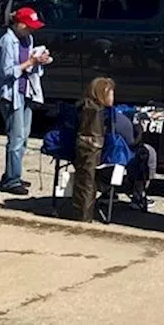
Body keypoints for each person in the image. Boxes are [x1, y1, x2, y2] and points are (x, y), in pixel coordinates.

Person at [0, 7, 50, 196]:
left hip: (26, 93)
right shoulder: (6, 42)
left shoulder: (27, 39)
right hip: (11, 96)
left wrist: (39, 61)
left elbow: (29, 66)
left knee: (24, 136)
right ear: (19, 24)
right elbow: (6, 71)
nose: (31, 30)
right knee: (16, 137)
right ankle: (12, 180)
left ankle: (13, 172)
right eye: (29, 26)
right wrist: (30, 63)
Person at [73, 77, 113, 223]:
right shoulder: (96, 111)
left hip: (84, 147)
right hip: (92, 148)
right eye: (110, 93)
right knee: (88, 182)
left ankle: (81, 213)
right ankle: (84, 217)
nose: (112, 97)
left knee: (85, 181)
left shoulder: (84, 105)